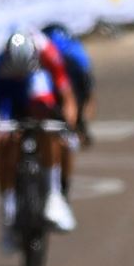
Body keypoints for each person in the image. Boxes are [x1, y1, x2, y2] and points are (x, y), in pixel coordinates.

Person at [0, 28, 78, 253]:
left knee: (48, 126)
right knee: (5, 143)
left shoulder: (47, 52)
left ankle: (54, 194)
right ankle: (8, 210)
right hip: (3, 90)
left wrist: (67, 127)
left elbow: (67, 97)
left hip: (35, 83)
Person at [42, 22, 96, 197]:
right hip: (47, 79)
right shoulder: (43, 57)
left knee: (68, 139)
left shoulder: (77, 62)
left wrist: (79, 126)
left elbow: (87, 97)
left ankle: (63, 187)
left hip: (73, 82)